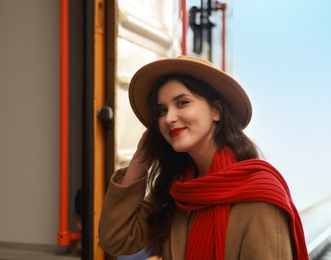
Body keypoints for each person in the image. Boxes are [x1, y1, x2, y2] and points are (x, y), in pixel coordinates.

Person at [99, 56, 308, 259]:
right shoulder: (178, 189)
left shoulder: (258, 198)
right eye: (162, 110)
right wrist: (141, 159)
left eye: (182, 103)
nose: (169, 118)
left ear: (216, 111)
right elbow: (116, 239)